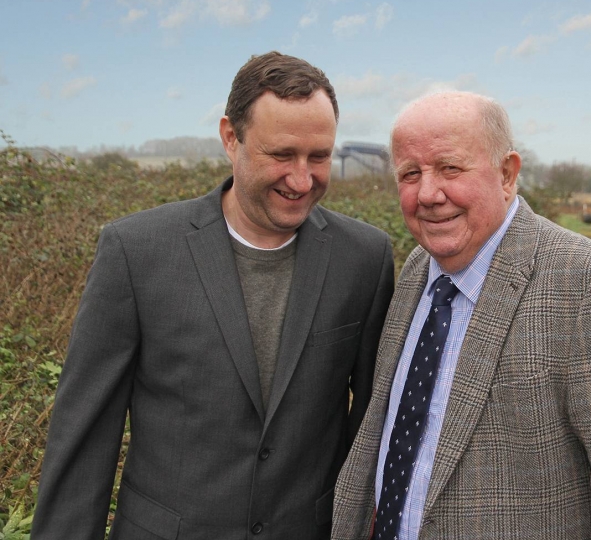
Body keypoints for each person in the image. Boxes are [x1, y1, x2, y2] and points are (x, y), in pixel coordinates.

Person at [32, 51, 394, 540]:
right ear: (230, 137)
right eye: (282, 155)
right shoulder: (136, 251)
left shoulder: (366, 258)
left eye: (319, 157)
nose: (302, 179)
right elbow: (84, 439)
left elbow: (371, 427)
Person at [332, 91, 591, 540]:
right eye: (410, 174)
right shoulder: (418, 271)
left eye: (450, 168)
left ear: (506, 174)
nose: (428, 193)